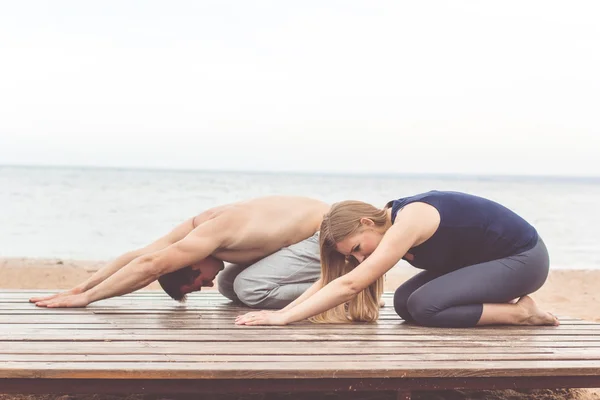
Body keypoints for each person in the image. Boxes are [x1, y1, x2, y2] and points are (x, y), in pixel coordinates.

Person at [235, 190, 559, 328]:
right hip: (480, 265)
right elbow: (331, 279)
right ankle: (515, 311)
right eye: (354, 255)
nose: (360, 259)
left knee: (425, 306)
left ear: (366, 223)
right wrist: (284, 311)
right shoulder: (384, 226)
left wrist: (283, 320)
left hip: (522, 260)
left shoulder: (410, 220)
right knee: (405, 304)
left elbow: (350, 286)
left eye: (358, 249)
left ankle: (521, 313)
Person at [30, 196, 328, 309]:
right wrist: (81, 285)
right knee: (230, 286)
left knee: (249, 288)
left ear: (191, 264)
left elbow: (151, 265)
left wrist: (86, 299)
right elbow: (138, 255)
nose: (209, 283)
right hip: (310, 233)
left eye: (200, 283)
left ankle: (338, 297)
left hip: (329, 235)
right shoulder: (195, 227)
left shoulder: (211, 234)